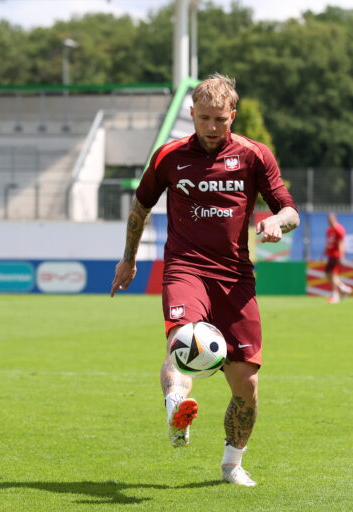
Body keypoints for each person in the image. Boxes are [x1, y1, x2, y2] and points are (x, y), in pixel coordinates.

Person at [110, 73, 299, 487]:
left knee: (246, 385)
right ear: (191, 114)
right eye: (204, 119)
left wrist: (275, 225)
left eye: (220, 119)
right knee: (183, 340)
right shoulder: (169, 156)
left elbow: (290, 210)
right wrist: (128, 260)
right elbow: (139, 210)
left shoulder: (254, 155)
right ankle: (176, 405)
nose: (212, 128)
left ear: (233, 115)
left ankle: (232, 463)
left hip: (235, 278)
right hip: (185, 267)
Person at [323, 212, 352, 303]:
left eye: (331, 220)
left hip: (336, 255)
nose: (329, 222)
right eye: (328, 220)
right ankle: (344, 288)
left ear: (334, 219)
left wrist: (341, 256)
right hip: (330, 255)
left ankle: (335, 296)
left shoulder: (339, 229)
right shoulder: (329, 230)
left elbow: (341, 243)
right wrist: (324, 251)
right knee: (328, 274)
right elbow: (329, 243)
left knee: (332, 275)